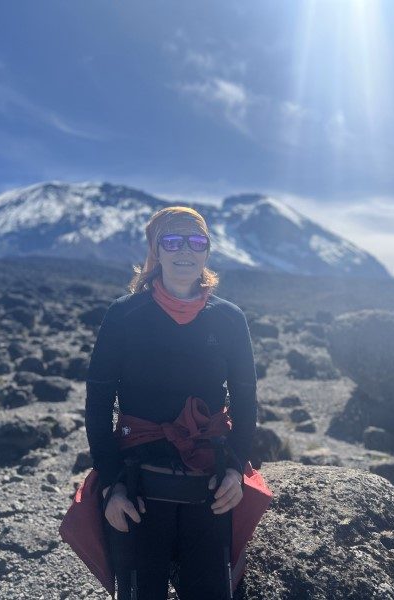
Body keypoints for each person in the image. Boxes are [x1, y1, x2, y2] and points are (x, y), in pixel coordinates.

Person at [84, 206, 258, 600]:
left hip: (209, 484)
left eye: (197, 241)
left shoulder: (229, 318)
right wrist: (112, 487)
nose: (185, 250)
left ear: (208, 251)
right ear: (155, 250)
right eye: (172, 240)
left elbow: (246, 401)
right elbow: (97, 405)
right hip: (138, 483)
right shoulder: (125, 315)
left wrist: (234, 470)